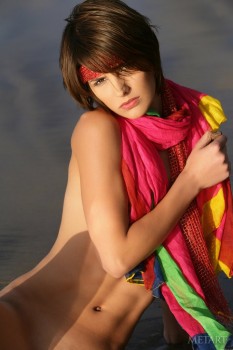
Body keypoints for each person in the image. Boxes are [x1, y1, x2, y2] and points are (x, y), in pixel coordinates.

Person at [0, 0, 232, 349]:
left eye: (125, 67)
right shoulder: (98, 130)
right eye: (100, 80)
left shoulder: (193, 134)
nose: (119, 90)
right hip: (25, 321)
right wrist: (191, 181)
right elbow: (118, 258)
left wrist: (183, 335)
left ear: (148, 55)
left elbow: (180, 255)